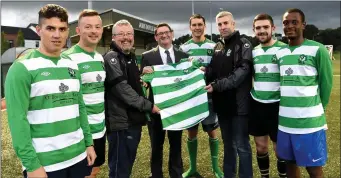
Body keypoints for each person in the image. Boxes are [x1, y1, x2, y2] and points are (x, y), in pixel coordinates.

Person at [5, 4, 96, 178]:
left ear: (68, 31)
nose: (57, 34)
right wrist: (32, 165)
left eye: (62, 29)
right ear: (39, 30)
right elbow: (17, 120)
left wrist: (88, 144)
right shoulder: (22, 67)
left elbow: (80, 107)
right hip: (46, 164)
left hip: (78, 156)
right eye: (50, 28)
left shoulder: (71, 64)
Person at [276, 8, 333, 178]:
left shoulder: (318, 49)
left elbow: (326, 85)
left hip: (309, 124)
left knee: (313, 169)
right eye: (286, 23)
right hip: (285, 123)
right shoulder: (281, 53)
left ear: (303, 25)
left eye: (294, 22)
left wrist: (314, 111)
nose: (289, 26)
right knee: (290, 164)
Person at [103, 19, 160, 178]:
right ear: (113, 37)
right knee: (119, 169)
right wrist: (149, 106)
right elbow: (123, 89)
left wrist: (142, 78)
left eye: (129, 34)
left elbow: (131, 83)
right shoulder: (112, 57)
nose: (126, 37)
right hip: (121, 124)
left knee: (126, 166)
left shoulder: (130, 57)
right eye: (121, 34)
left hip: (133, 121)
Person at [203, 11, 253, 178]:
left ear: (233, 24)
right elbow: (213, 70)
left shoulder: (243, 44)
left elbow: (240, 74)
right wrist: (203, 72)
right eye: (220, 24)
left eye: (226, 23)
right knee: (228, 145)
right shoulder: (218, 46)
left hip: (239, 106)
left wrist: (216, 85)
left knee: (242, 146)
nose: (223, 27)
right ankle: (229, 175)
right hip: (222, 105)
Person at [140, 23, 188, 178]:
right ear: (156, 37)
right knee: (156, 147)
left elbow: (187, 80)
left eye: (166, 32)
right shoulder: (147, 56)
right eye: (160, 33)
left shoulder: (183, 56)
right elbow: (143, 82)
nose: (164, 35)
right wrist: (143, 75)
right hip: (156, 109)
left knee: (176, 145)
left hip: (176, 109)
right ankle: (156, 175)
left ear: (172, 34)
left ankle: (176, 174)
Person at [61, 9, 105, 178]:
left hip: (100, 128)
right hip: (80, 132)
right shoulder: (67, 58)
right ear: (78, 31)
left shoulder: (99, 57)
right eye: (88, 27)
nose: (94, 31)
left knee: (94, 169)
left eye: (97, 27)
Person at [179, 14, 223, 178]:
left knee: (212, 132)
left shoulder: (213, 46)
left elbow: (218, 70)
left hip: (209, 97)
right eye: (194, 25)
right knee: (192, 133)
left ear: (205, 26)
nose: (197, 27)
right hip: (192, 99)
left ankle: (215, 168)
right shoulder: (183, 48)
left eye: (200, 24)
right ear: (190, 27)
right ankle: (192, 168)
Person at [249, 13, 287, 178]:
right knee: (261, 147)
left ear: (273, 28)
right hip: (257, 104)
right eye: (258, 28)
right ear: (254, 30)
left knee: (280, 150)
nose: (262, 31)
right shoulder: (252, 52)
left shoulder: (283, 49)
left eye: (265, 27)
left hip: (278, 105)